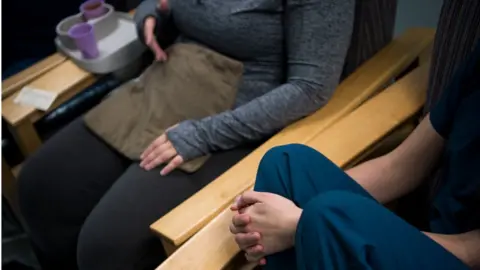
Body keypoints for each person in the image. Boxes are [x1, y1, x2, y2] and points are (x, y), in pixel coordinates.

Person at [17, 0, 356, 269]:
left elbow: (310, 87)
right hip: (170, 78)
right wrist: (151, 13)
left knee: (106, 247)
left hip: (238, 113)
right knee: (40, 186)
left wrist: (205, 134)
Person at [229, 23, 480, 270]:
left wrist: (301, 224)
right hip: (424, 239)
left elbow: (468, 252)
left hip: (457, 255)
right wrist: (261, 217)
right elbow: (400, 165)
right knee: (285, 164)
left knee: (326, 213)